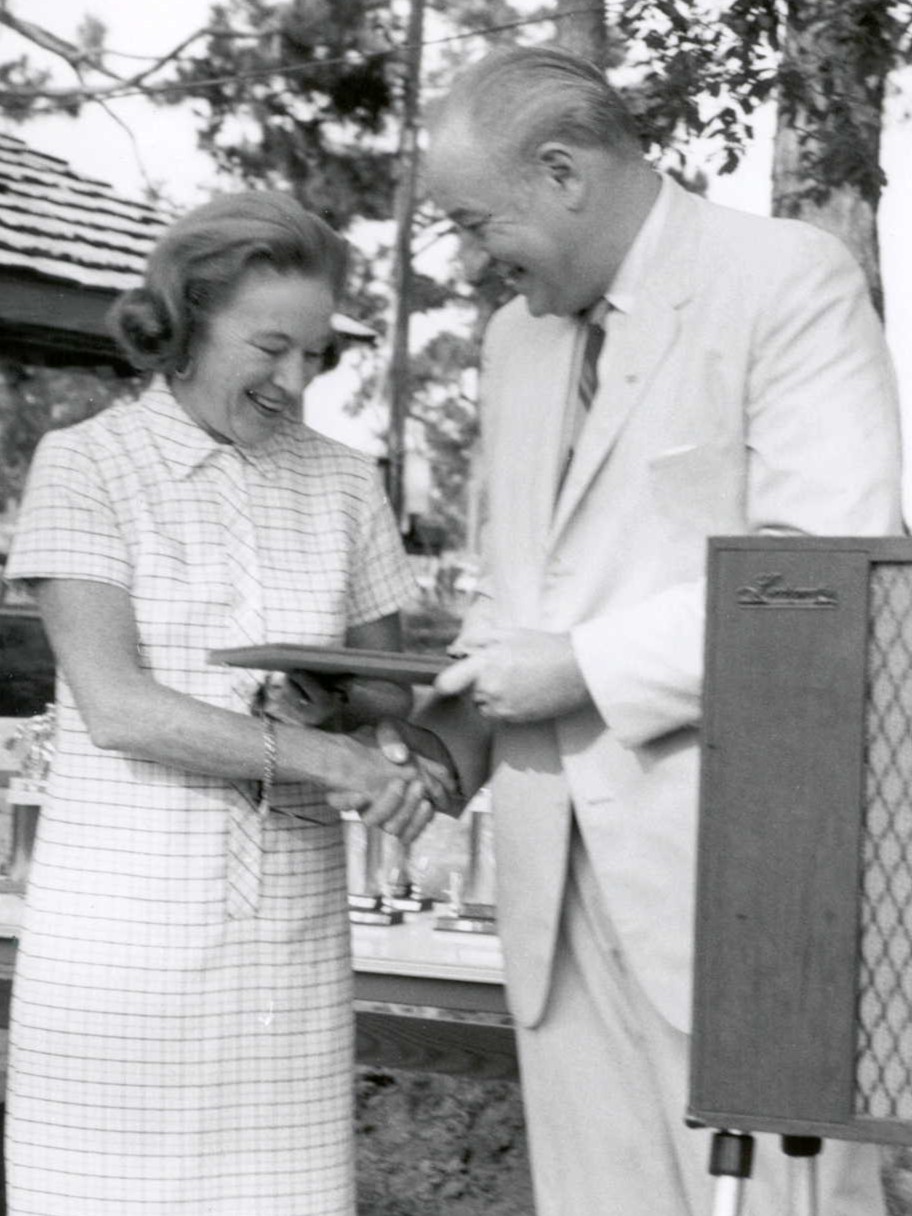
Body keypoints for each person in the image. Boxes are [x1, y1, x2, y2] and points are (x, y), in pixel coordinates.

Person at [425, 46, 903, 1216]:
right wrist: (440, 738)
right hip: (554, 895)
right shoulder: (514, 342)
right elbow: (519, 587)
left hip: (747, 886)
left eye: (480, 221)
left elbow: (823, 581)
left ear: (563, 171)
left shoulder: (788, 280)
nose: (475, 253)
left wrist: (583, 667)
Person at [3, 190, 456, 1216]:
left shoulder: (346, 483)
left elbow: (384, 689)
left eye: (318, 353)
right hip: (117, 952)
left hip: (281, 956)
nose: (296, 379)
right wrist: (326, 760)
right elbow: (116, 705)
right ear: (190, 317)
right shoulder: (84, 465)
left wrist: (335, 703)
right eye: (271, 347)